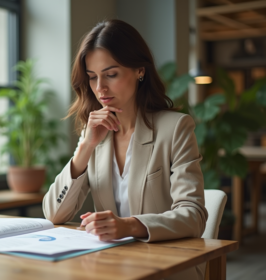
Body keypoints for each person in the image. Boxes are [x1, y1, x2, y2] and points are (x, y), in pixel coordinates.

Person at [42, 20, 208, 280]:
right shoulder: (94, 133)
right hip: (110, 267)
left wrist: (129, 225)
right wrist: (85, 147)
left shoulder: (175, 128)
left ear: (139, 71)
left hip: (166, 268)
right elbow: (54, 213)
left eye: (111, 74)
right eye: (92, 77)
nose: (100, 88)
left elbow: (193, 216)